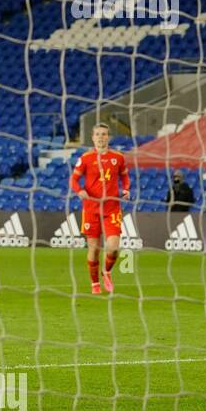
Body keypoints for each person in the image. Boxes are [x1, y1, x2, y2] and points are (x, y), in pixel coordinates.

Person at [70, 123, 130, 295]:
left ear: (108, 137)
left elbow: (125, 176)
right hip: (91, 208)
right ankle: (95, 283)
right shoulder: (86, 158)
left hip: (111, 208)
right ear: (92, 137)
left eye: (104, 134)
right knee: (94, 248)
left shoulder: (118, 157)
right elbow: (73, 180)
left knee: (113, 248)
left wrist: (126, 189)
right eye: (97, 134)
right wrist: (79, 190)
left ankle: (107, 272)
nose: (101, 137)